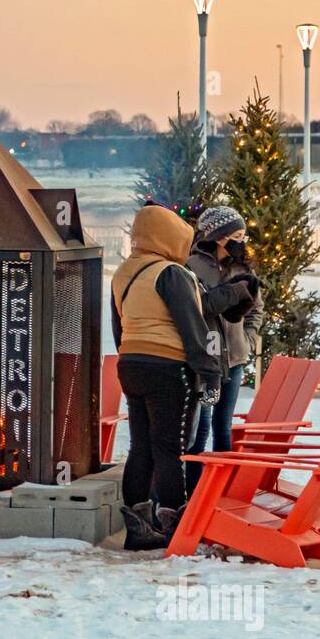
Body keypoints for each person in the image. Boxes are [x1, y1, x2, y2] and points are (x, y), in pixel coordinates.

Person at [111, 204, 256, 550]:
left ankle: (138, 526)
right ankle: (176, 526)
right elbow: (192, 329)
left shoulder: (124, 272)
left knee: (140, 448)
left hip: (131, 364)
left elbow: (118, 325)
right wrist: (208, 374)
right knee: (170, 449)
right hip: (167, 368)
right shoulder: (171, 273)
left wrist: (131, 354)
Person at [185, 206, 263, 492]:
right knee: (201, 425)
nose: (243, 241)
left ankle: (222, 493)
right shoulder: (191, 265)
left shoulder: (243, 267)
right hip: (206, 358)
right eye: (238, 235)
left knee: (223, 425)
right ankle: (192, 491)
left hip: (235, 358)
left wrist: (248, 339)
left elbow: (257, 309)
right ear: (220, 237)